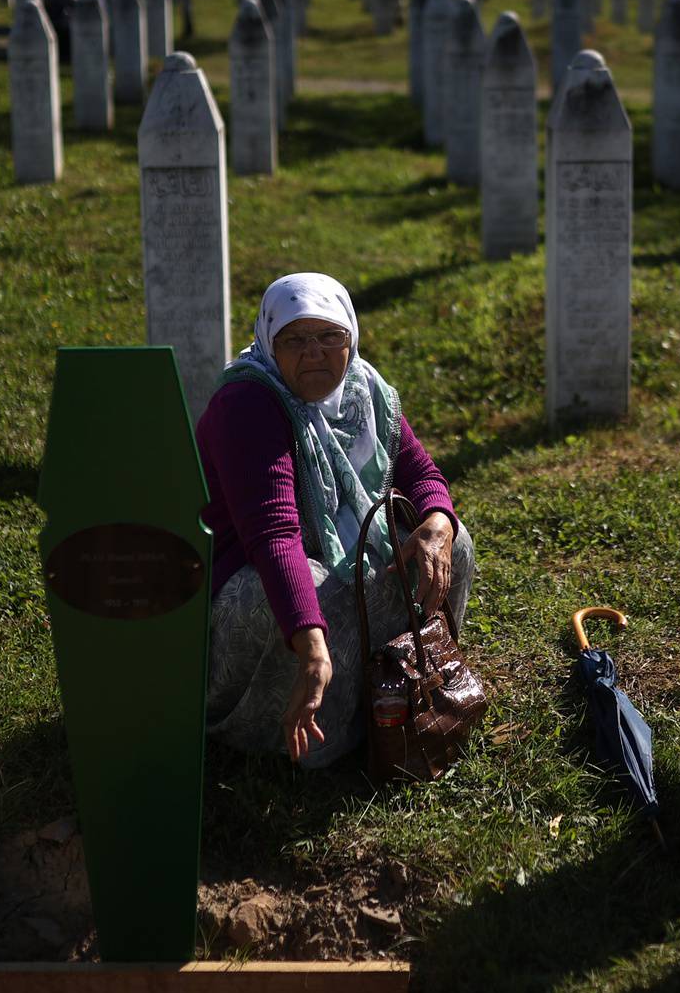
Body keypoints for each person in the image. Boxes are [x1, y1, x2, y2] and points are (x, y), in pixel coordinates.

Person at [196, 272, 475, 767]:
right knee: (323, 589)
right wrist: (313, 649)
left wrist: (437, 523)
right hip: (246, 577)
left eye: (330, 337)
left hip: (329, 551)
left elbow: (422, 473)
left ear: (351, 336)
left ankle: (408, 690)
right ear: (268, 342)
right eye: (295, 340)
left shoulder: (364, 390)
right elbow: (275, 535)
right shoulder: (247, 403)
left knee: (454, 541)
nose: (314, 353)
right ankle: (304, 738)